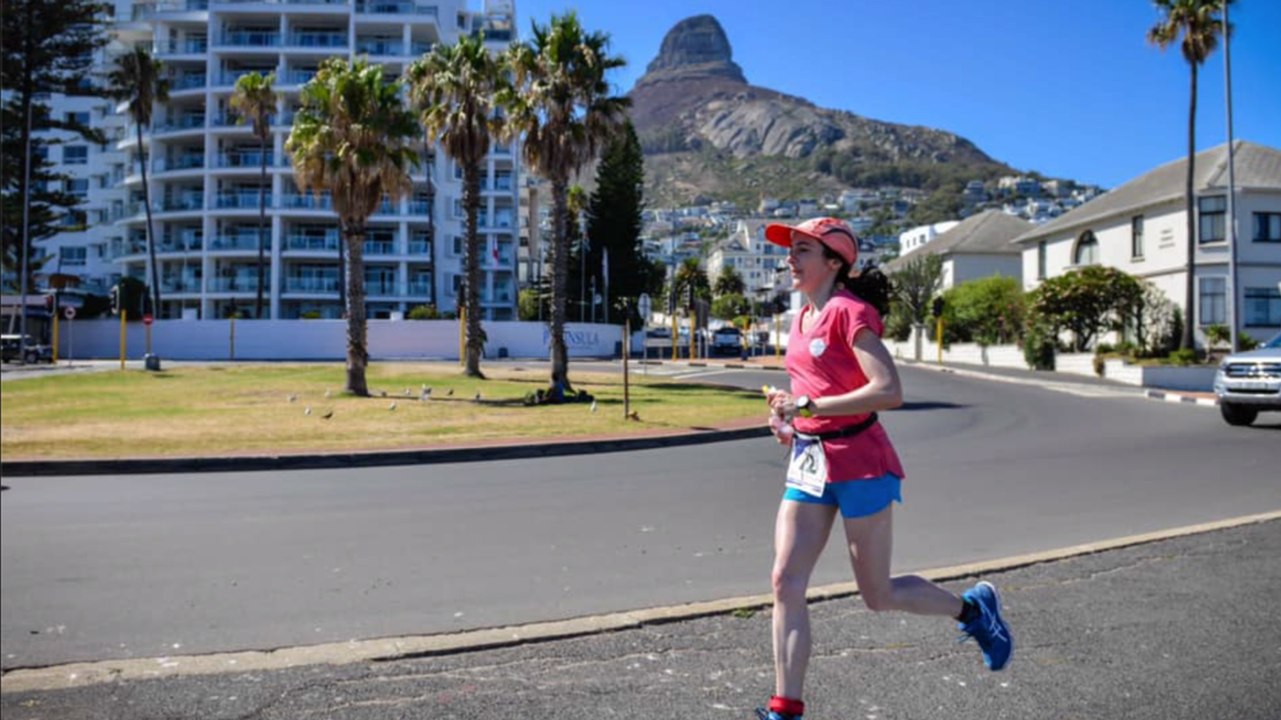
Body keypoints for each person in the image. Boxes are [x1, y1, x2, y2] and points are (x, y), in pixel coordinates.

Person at [756, 217, 1013, 720]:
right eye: (791, 250)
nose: (790, 258)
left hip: (860, 461)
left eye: (802, 250)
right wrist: (788, 419)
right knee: (785, 580)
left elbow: (888, 390)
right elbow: (810, 393)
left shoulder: (850, 313)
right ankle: (785, 710)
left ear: (834, 261)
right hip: (810, 461)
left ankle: (973, 610)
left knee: (878, 594)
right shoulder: (801, 318)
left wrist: (809, 406)